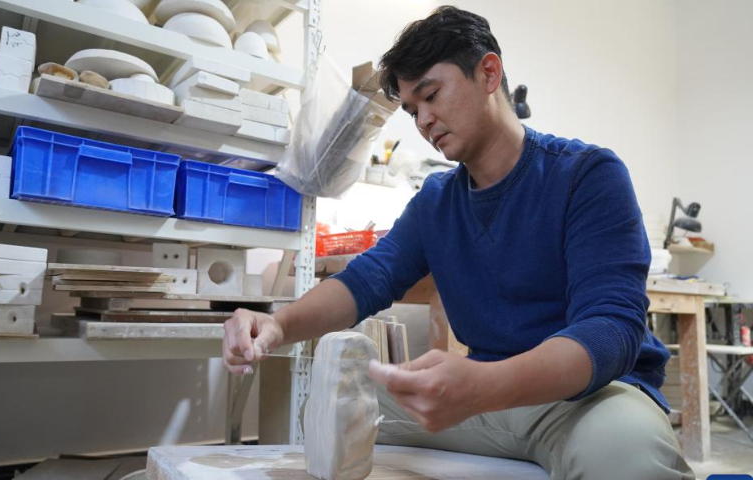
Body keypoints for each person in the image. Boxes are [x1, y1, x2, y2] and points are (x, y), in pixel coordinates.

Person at [223, 6, 693, 480]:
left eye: (431, 95)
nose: (424, 121)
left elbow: (611, 330)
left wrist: (487, 383)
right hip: (488, 402)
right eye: (413, 111)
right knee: (339, 410)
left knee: (628, 456)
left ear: (489, 73)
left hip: (586, 399)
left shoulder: (586, 175)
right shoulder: (436, 201)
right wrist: (277, 324)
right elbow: (367, 280)